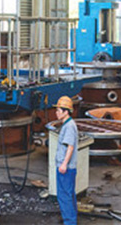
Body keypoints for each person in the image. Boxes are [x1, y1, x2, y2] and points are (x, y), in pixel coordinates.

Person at [55, 95, 78, 225]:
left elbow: (70, 146)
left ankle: (70, 222)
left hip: (66, 169)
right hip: (68, 168)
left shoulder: (69, 126)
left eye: (58, 110)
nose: (56, 113)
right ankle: (72, 221)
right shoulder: (68, 124)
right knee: (69, 195)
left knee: (64, 197)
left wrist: (64, 164)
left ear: (66, 112)